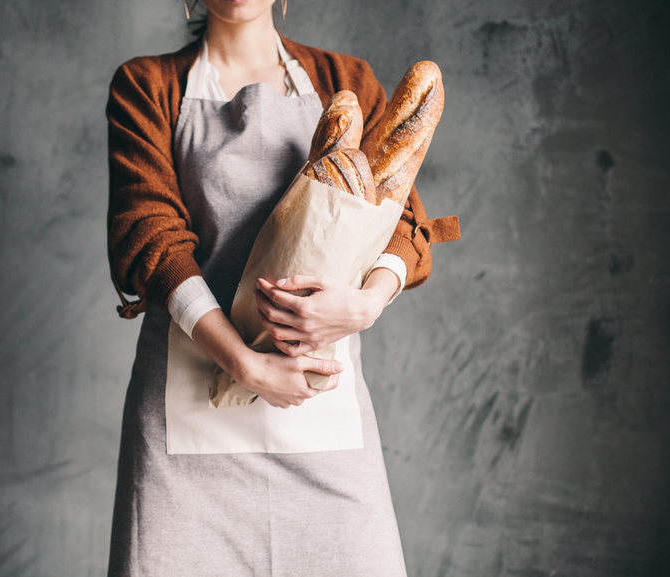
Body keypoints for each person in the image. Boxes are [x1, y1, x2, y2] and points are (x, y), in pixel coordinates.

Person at [105, 0, 436, 574]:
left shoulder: (347, 81)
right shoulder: (147, 86)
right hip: (186, 428)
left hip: (321, 424)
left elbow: (404, 220)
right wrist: (245, 365)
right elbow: (149, 235)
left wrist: (364, 304)